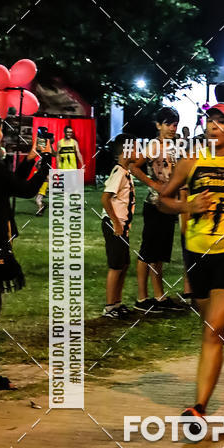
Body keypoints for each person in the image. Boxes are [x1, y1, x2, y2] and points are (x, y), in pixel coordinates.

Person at [158, 103, 224, 428]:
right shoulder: (191, 162)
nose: (215, 126)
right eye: (211, 120)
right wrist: (186, 205)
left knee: (212, 330)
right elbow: (163, 199)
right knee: (213, 326)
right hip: (198, 253)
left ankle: (198, 408)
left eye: (223, 122)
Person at [0, 109, 50, 390]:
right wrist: (43, 166)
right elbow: (26, 190)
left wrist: (28, 162)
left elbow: (8, 187)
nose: (1, 133)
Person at [130, 107, 184, 314]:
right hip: (155, 204)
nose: (173, 128)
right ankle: (142, 297)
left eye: (175, 124)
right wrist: (153, 184)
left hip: (170, 204)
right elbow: (134, 166)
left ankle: (158, 295)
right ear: (158, 125)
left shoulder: (176, 145)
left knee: (160, 253)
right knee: (148, 251)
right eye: (169, 124)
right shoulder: (154, 145)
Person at [100, 136, 136, 319]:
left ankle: (117, 303)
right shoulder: (119, 173)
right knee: (115, 266)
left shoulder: (126, 172)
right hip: (115, 225)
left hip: (122, 226)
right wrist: (115, 222)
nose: (138, 152)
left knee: (124, 264)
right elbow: (105, 198)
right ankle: (109, 307)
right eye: (135, 148)